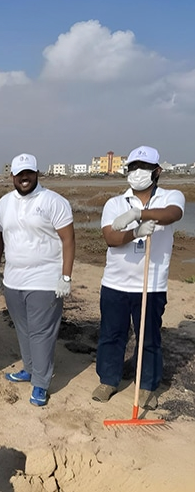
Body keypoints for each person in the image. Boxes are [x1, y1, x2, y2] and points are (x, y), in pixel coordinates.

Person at [91, 146, 184, 410]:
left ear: (157, 171)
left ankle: (147, 387)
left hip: (151, 285)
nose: (137, 172)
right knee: (111, 335)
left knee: (149, 338)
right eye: (132, 166)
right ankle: (108, 380)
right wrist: (136, 231)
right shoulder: (115, 203)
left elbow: (174, 214)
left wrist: (139, 215)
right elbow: (110, 238)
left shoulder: (170, 196)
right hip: (115, 283)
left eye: (143, 166)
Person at [0, 153, 75, 407]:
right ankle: (29, 368)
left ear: (37, 173)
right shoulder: (4, 203)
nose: (24, 177)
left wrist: (65, 276)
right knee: (23, 328)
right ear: (12, 177)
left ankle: (41, 383)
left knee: (41, 333)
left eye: (29, 172)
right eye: (19, 174)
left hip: (45, 281)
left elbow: (68, 240)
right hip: (14, 280)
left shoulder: (53, 201)